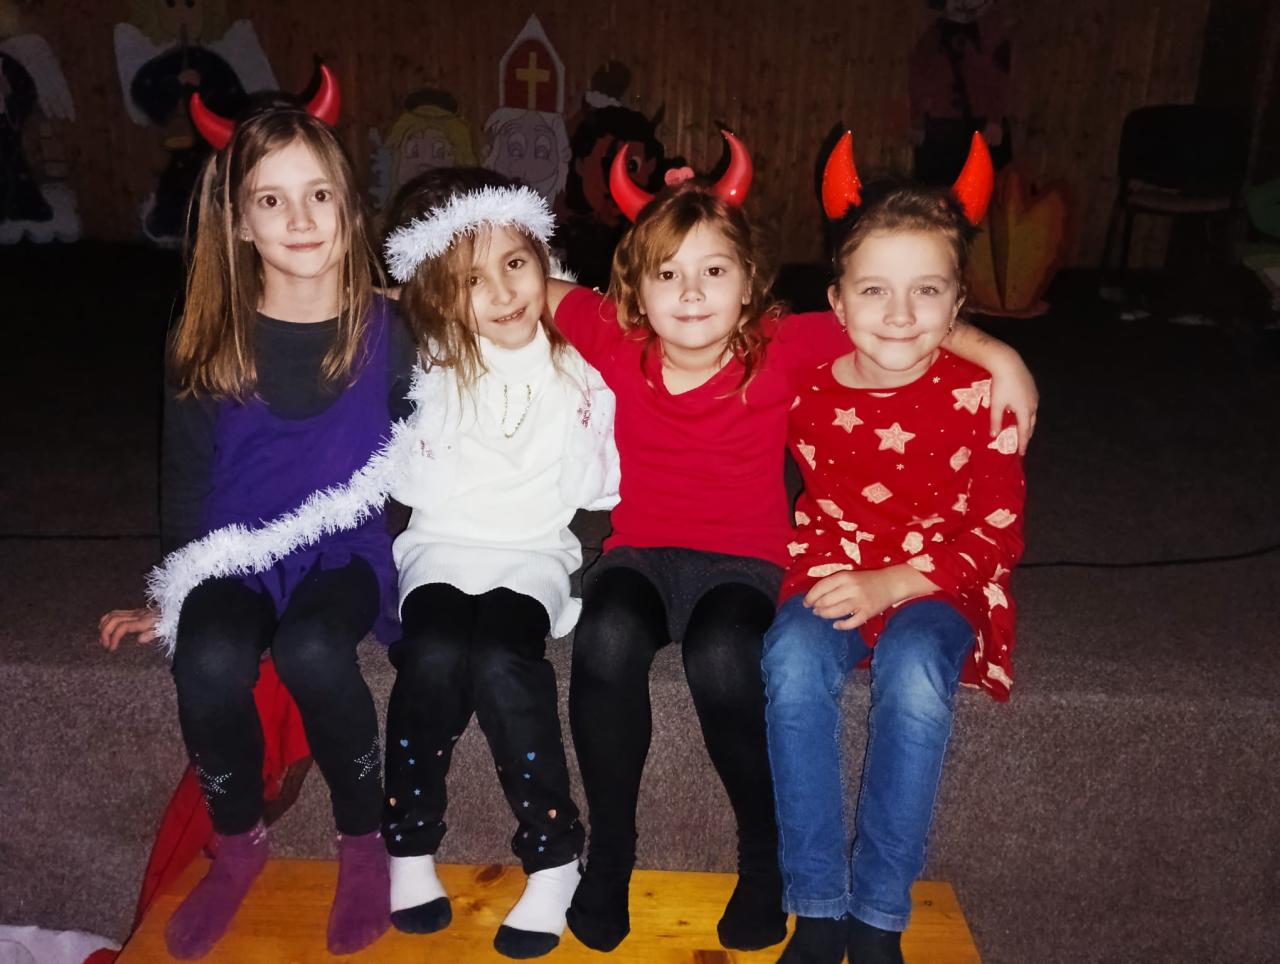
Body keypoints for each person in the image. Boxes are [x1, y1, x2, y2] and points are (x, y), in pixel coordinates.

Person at [541, 131, 1036, 953]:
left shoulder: (783, 344)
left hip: (747, 561)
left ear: (750, 288)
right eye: (667, 275)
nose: (690, 294)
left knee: (727, 654)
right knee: (606, 635)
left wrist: (997, 352)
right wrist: (423, 276)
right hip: (641, 553)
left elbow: (896, 316)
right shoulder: (615, 338)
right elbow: (537, 285)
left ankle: (763, 863)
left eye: (714, 272)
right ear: (633, 291)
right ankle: (611, 856)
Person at [98, 72, 409, 959]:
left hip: (345, 549)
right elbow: (186, 474)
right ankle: (238, 843)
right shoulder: (207, 335)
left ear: (349, 205)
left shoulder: (392, 330)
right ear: (238, 221)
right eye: (272, 200)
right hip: (235, 552)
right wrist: (171, 590)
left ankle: (364, 839)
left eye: (319, 195)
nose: (300, 218)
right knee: (206, 656)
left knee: (313, 647)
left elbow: (437, 448)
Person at [763, 133, 1024, 964]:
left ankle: (878, 915)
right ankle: (817, 904)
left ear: (957, 305)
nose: (901, 315)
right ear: (836, 305)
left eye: (927, 291)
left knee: (914, 672)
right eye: (874, 290)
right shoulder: (802, 388)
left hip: (942, 582)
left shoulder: (984, 396)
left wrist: (894, 583)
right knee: (791, 661)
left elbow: (998, 533)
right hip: (834, 569)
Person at [379, 172, 619, 958]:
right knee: (434, 651)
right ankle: (409, 841)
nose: (503, 293)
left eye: (515, 264)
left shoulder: (580, 361)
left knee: (501, 658)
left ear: (542, 258)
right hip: (440, 546)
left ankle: (553, 855)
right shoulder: (434, 358)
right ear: (440, 298)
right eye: (470, 281)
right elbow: (372, 316)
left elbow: (600, 482)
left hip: (533, 552)